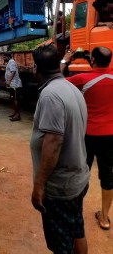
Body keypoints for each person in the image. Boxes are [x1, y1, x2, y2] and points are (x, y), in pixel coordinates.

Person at [30, 44, 89, 254]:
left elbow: (53, 144)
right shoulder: (72, 89)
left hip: (60, 188)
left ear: (36, 67)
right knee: (77, 231)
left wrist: (39, 186)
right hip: (77, 180)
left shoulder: (50, 96)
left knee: (62, 246)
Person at [61, 46, 113, 230]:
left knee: (82, 173)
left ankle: (76, 213)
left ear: (92, 60)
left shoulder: (83, 79)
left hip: (87, 135)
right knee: (108, 176)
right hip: (110, 136)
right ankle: (105, 218)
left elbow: (57, 81)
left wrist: (65, 59)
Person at [4, 53, 22, 121]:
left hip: (15, 84)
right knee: (12, 98)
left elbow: (13, 72)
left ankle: (17, 115)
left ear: (8, 56)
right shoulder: (9, 62)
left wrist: (9, 81)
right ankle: (15, 113)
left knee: (15, 99)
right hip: (12, 84)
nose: (4, 58)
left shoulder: (11, 62)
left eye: (4, 57)